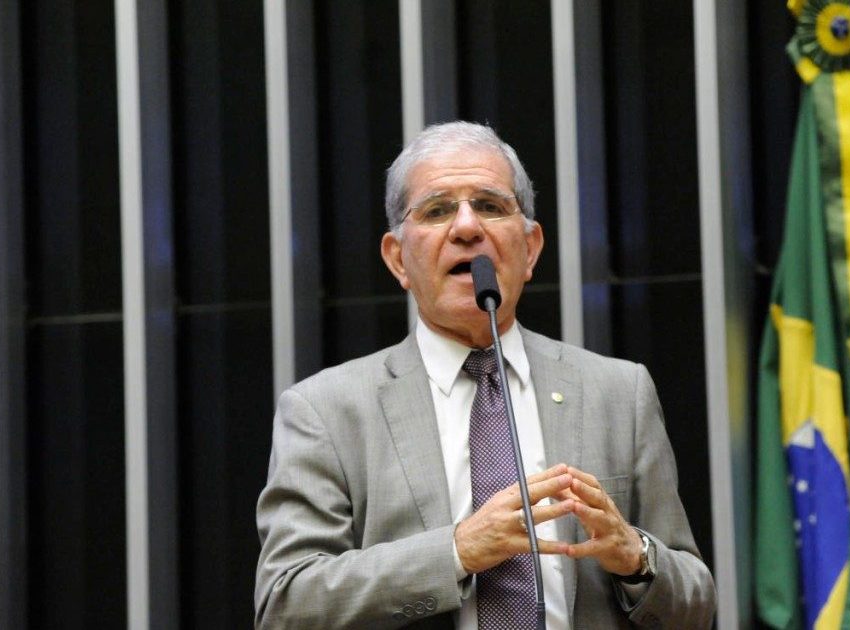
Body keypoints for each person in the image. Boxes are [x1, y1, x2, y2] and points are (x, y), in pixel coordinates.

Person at [255, 121, 716, 629]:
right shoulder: (325, 411)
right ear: (398, 259)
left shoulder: (619, 393)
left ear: (530, 248)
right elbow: (285, 604)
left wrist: (635, 556)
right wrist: (457, 551)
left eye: (490, 206)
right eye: (437, 210)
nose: (467, 227)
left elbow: (696, 605)